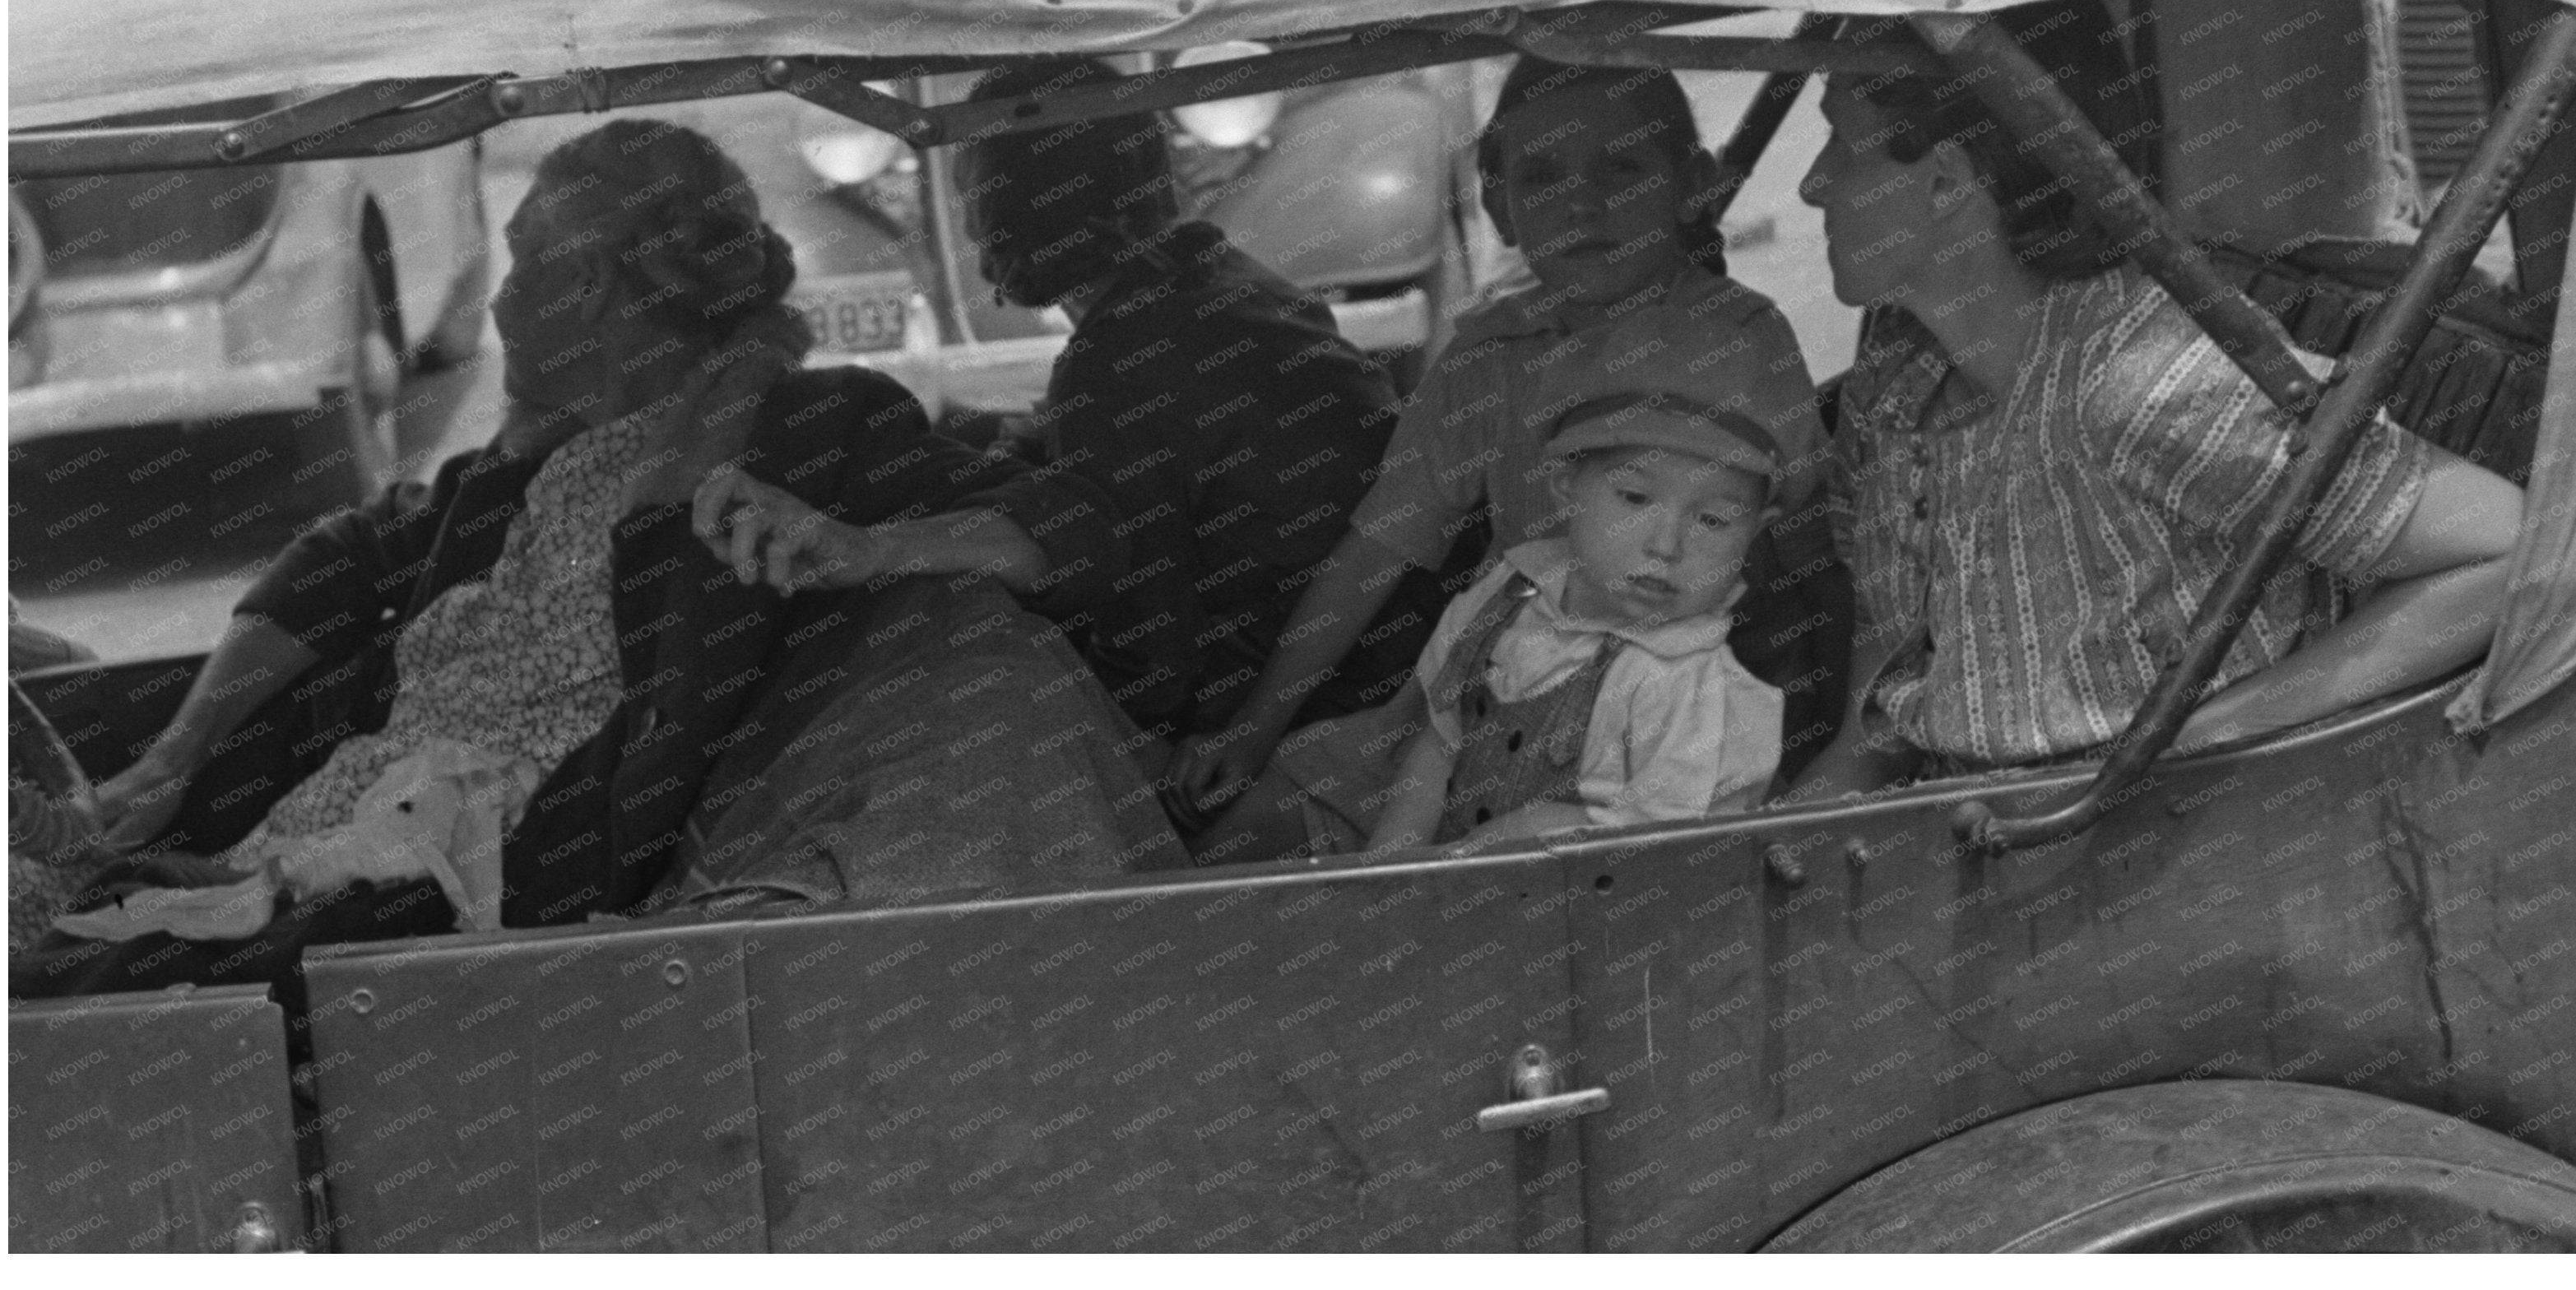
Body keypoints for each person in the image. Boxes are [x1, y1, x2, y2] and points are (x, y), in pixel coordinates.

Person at [24, 119, 1119, 996]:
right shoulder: (515, 469)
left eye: (524, 268)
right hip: (304, 854)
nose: (497, 302)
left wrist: (865, 548)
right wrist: (174, 755)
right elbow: (337, 562)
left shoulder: (805, 430)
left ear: (593, 285)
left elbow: (1075, 530)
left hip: (455, 902)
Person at [1787, 7, 2523, 789]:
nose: (1811, 184)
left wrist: (2182, 745)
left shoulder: (2147, 381)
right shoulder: (1892, 393)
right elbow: (1873, 732)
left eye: (1840, 142)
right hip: (1953, 844)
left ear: (1944, 179)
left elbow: (2503, 551)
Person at [692, 60, 1417, 784]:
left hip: (1329, 706)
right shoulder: (1226, 276)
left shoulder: (1115, 357)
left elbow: (1149, 650)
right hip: (1387, 646)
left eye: (995, 195)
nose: (978, 227)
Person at [1173, 55, 1826, 828]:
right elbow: (1376, 549)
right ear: (1499, 204)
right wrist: (1255, 727)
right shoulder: (1490, 354)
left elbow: (1805, 547)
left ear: (1688, 185)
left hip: (1667, 705)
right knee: (1262, 819)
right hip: (1497, 680)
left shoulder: (1736, 339)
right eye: (1544, 177)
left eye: (1621, 167)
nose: (1583, 203)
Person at [1356, 302, 1794, 851]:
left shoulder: (1690, 686)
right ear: (1564, 485)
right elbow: (1440, 744)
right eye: (1634, 497)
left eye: (1712, 520)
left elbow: (1666, 849)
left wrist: (1523, 832)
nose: (1666, 545)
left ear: (1755, 532)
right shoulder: (1507, 594)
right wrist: (1390, 873)